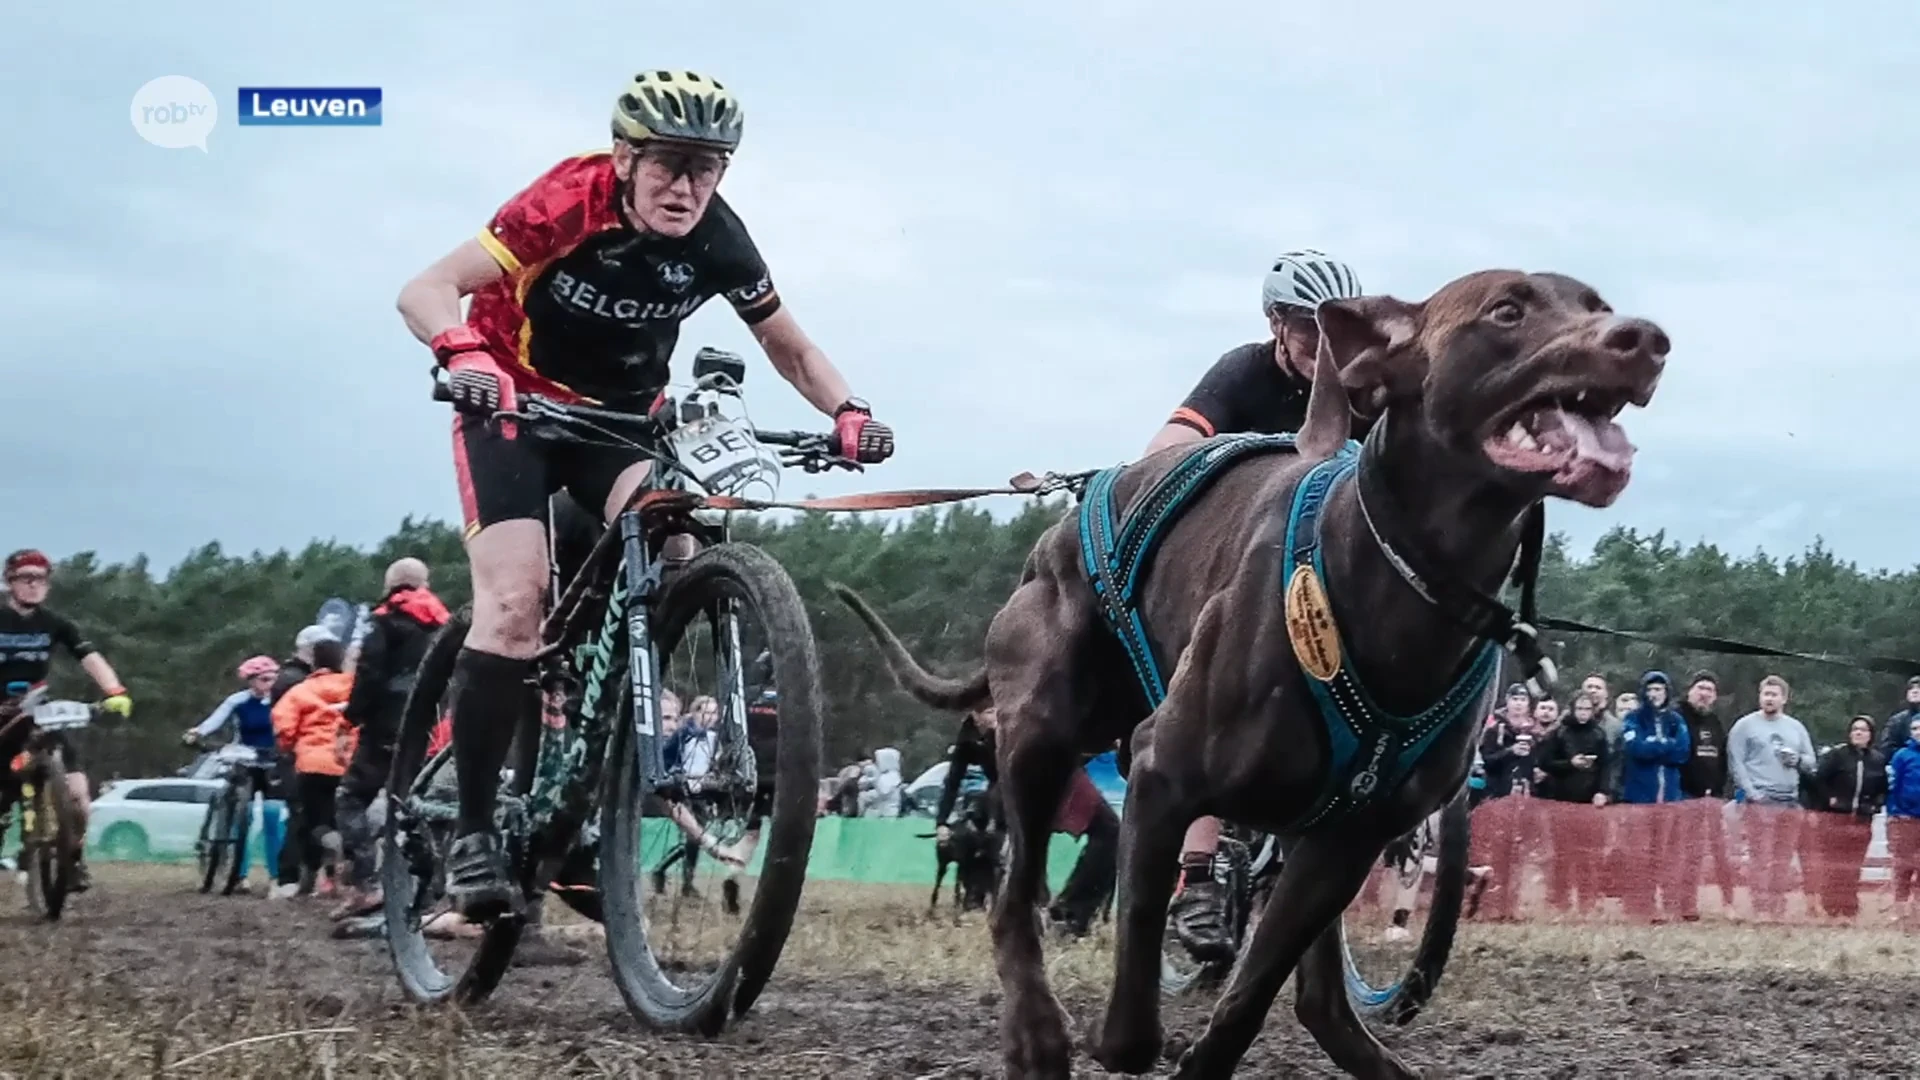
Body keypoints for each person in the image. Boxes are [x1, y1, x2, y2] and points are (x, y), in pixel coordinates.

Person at [396, 69, 896, 919]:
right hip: (514, 405)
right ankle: (474, 833)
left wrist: (849, 410)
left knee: (677, 545)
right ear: (626, 157)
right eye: (670, 163)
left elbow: (789, 345)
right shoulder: (565, 200)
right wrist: (460, 352)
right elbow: (425, 288)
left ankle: (586, 770)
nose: (687, 185)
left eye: (709, 167)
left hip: (623, 420)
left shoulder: (718, 236)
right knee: (515, 604)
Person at [1142, 250, 1368, 960]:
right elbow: (1165, 452)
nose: (1325, 352)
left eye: (1339, 333)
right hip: (1245, 564)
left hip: (1329, 573)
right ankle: (1199, 872)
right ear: (1276, 325)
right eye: (1310, 335)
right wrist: (1232, 460)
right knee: (1213, 695)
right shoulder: (1243, 371)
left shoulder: (1361, 384)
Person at [0, 549, 133, 892]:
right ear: (9, 582)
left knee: (77, 797)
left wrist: (114, 690)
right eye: (25, 578)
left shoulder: (55, 623)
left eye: (40, 579)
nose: (33, 585)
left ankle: (72, 859)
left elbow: (88, 656)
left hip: (36, 710)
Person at [332, 558, 451, 919]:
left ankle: (364, 886)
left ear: (391, 584)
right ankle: (430, 892)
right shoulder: (444, 626)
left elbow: (368, 676)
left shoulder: (384, 622)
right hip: (430, 729)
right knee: (417, 808)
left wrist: (350, 719)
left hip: (385, 727)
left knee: (351, 798)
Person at [932, 708, 1117, 937]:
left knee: (1111, 832)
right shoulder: (970, 737)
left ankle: (1071, 913)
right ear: (974, 714)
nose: (994, 716)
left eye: (995, 708)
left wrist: (1103, 741)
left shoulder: (1026, 711)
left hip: (1061, 775)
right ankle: (1029, 915)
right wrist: (941, 822)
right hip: (1016, 791)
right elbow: (954, 778)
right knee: (1022, 848)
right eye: (986, 711)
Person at [184, 655, 287, 894]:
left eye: (273, 679)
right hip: (244, 758)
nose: (269, 684)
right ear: (251, 681)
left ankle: (276, 877)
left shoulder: (281, 700)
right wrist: (197, 732)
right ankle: (240, 875)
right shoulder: (238, 701)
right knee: (245, 816)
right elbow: (216, 721)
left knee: (273, 818)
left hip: (273, 761)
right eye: (263, 679)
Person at [1725, 675, 1817, 920]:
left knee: (1782, 858)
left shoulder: (1795, 727)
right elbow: (1737, 762)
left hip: (1789, 801)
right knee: (1761, 856)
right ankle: (1761, 906)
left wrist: (1796, 760)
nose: (1769, 698)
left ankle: (1778, 905)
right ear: (1760, 696)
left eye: (1774, 694)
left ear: (1784, 698)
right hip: (1760, 801)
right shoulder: (1744, 726)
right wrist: (1751, 793)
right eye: (1766, 694)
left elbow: (1811, 762)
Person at [271, 639, 353, 895]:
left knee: (306, 822)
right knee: (341, 816)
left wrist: (289, 746)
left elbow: (284, 725)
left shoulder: (301, 691)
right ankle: (336, 872)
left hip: (312, 763)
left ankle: (291, 880)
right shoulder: (354, 687)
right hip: (348, 762)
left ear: (314, 662)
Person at [1618, 671, 1694, 920]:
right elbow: (1635, 747)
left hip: (1670, 796)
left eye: (1659, 689)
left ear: (1666, 692)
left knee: (1666, 853)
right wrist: (1662, 746)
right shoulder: (1633, 718)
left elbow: (1682, 751)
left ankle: (1667, 903)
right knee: (1639, 852)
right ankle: (1640, 903)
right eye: (1650, 690)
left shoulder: (1675, 720)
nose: (1654, 694)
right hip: (1640, 796)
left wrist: (1656, 745)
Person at [1536, 692, 1611, 914]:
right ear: (1572, 708)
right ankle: (1560, 899)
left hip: (1589, 802)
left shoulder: (1598, 734)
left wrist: (1604, 792)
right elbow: (1545, 762)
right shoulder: (1559, 732)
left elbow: (1606, 766)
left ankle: (1587, 900)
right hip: (1561, 801)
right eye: (1579, 709)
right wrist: (1570, 764)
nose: (1583, 714)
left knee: (1587, 855)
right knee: (1561, 854)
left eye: (1587, 709)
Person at [1809, 716, 1887, 920]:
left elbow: (1883, 788)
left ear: (1871, 735)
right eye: (1855, 729)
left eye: (1863, 730)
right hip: (1835, 819)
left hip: (1862, 820)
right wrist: (1829, 800)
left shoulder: (1878, 760)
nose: (1858, 733)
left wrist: (1875, 805)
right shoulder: (1837, 755)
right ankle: (1831, 907)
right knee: (1833, 865)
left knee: (1854, 865)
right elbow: (1818, 781)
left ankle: (1849, 906)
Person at [1885, 716, 1920, 924]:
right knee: (1902, 867)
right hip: (1904, 819)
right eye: (1915, 728)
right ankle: (1898, 910)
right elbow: (1892, 787)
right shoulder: (1901, 756)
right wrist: (1893, 814)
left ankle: (1917, 911)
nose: (1918, 731)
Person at [1879, 677, 1920, 761]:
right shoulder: (1896, 720)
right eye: (1911, 688)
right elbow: (1887, 748)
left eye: (1919, 688)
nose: (1915, 691)